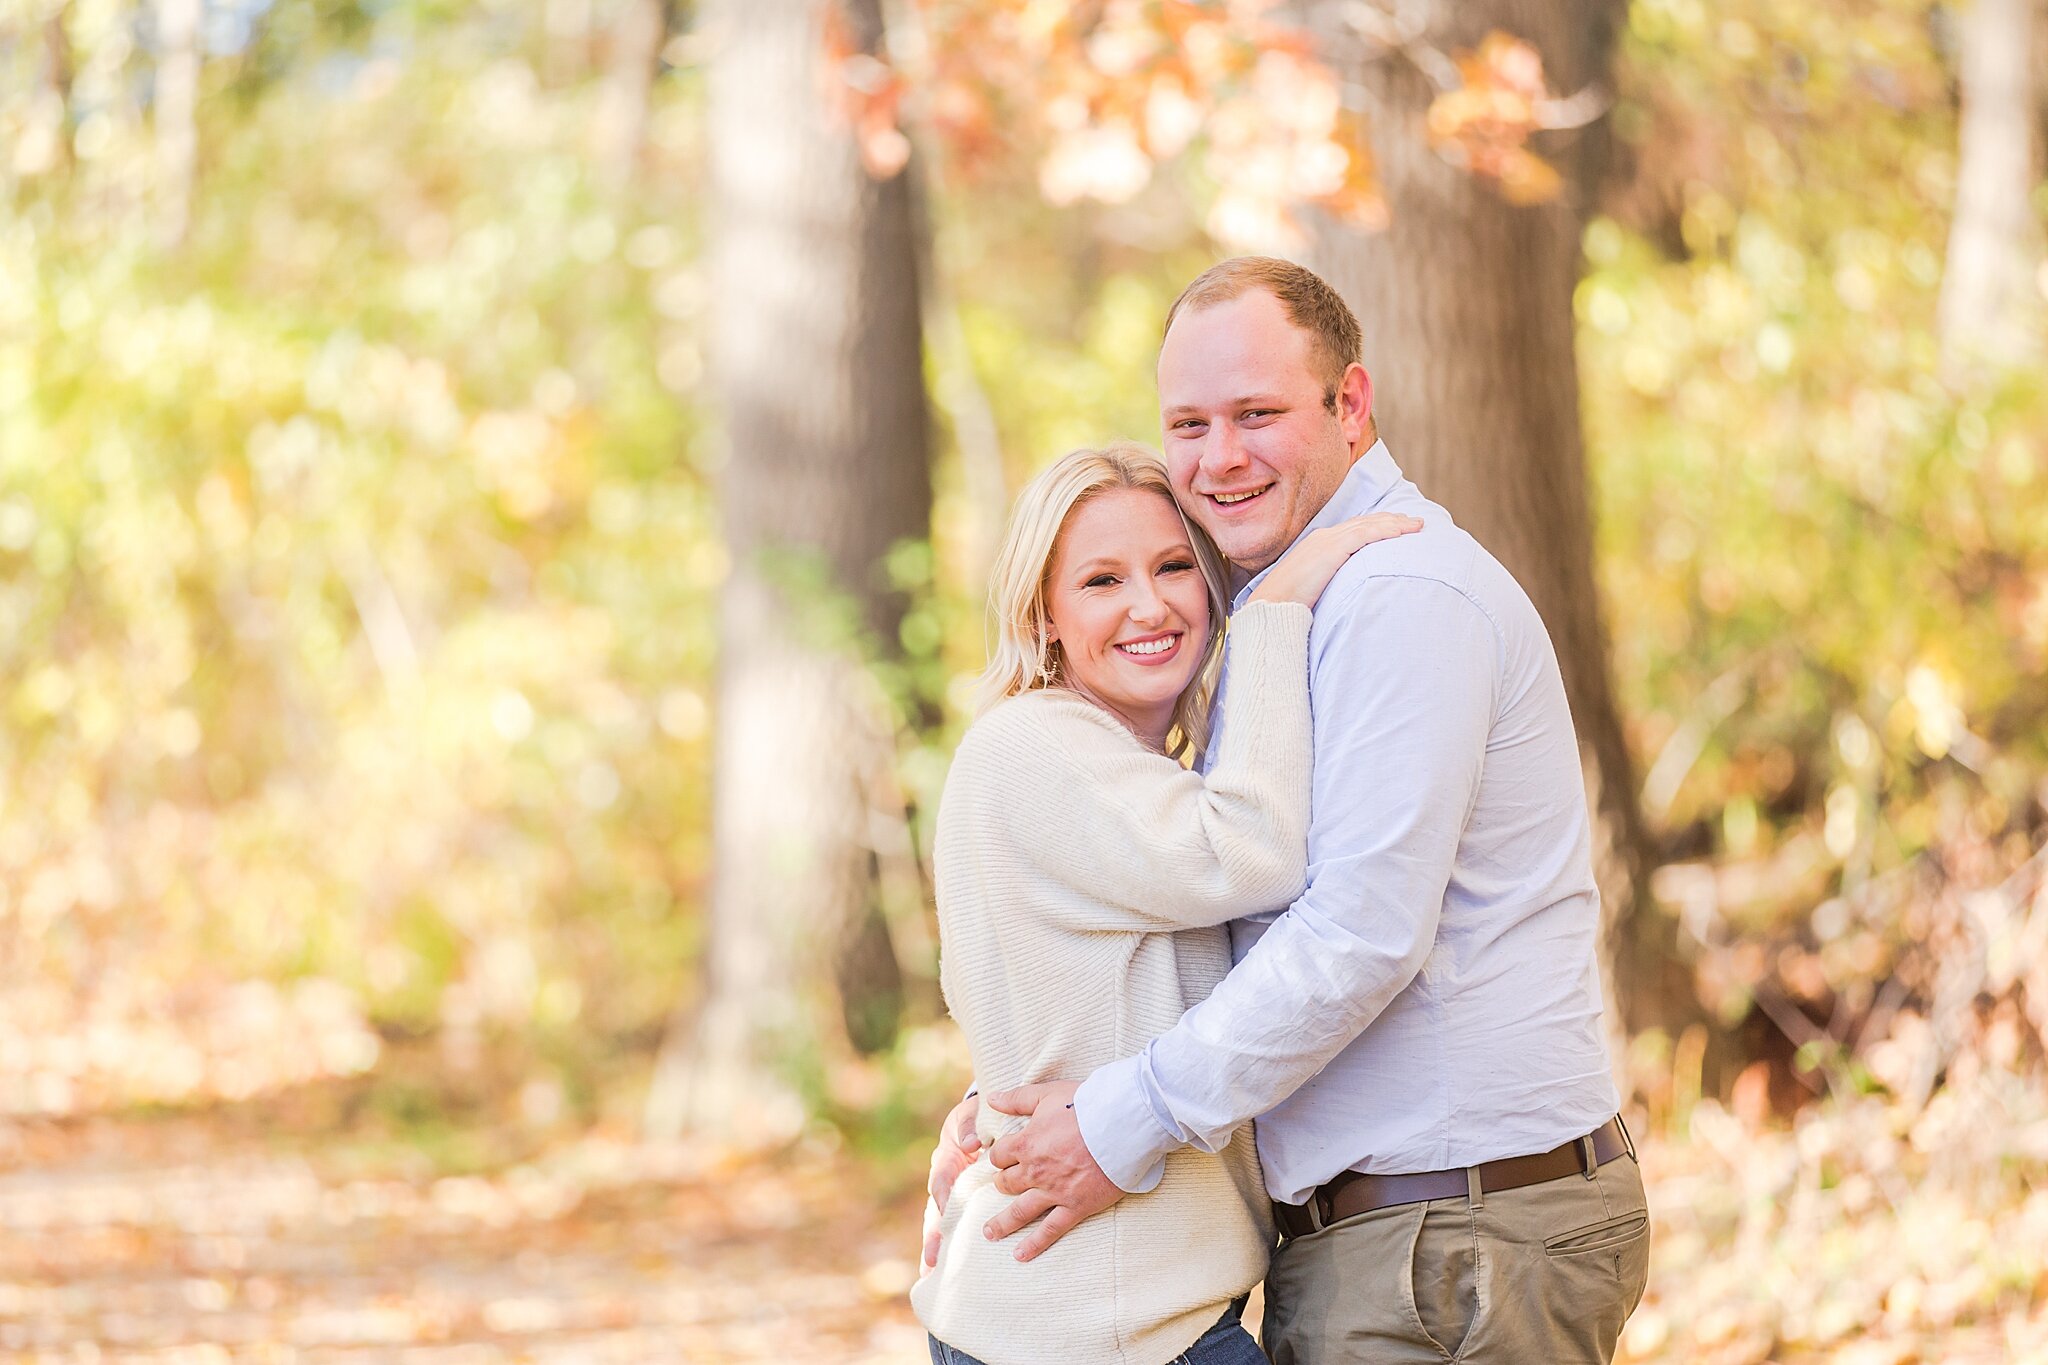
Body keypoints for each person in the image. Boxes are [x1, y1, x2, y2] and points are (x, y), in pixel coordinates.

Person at [926, 258, 1651, 1364]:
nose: (1219, 457)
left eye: (1255, 413)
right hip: (1378, 1242)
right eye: (1189, 423)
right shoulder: (1278, 616)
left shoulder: (1395, 599)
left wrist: (1114, 1122)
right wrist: (1015, 1091)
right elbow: (1171, 929)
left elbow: (1355, 930)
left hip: (1447, 1239)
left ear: (1348, 405)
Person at [911, 442, 1421, 1365]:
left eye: (1176, 565)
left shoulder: (1118, 771)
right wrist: (1276, 609)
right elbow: (1254, 851)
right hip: (1098, 1330)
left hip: (1122, 1315)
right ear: (1046, 613)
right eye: (1102, 580)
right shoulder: (1033, 746)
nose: (1149, 604)